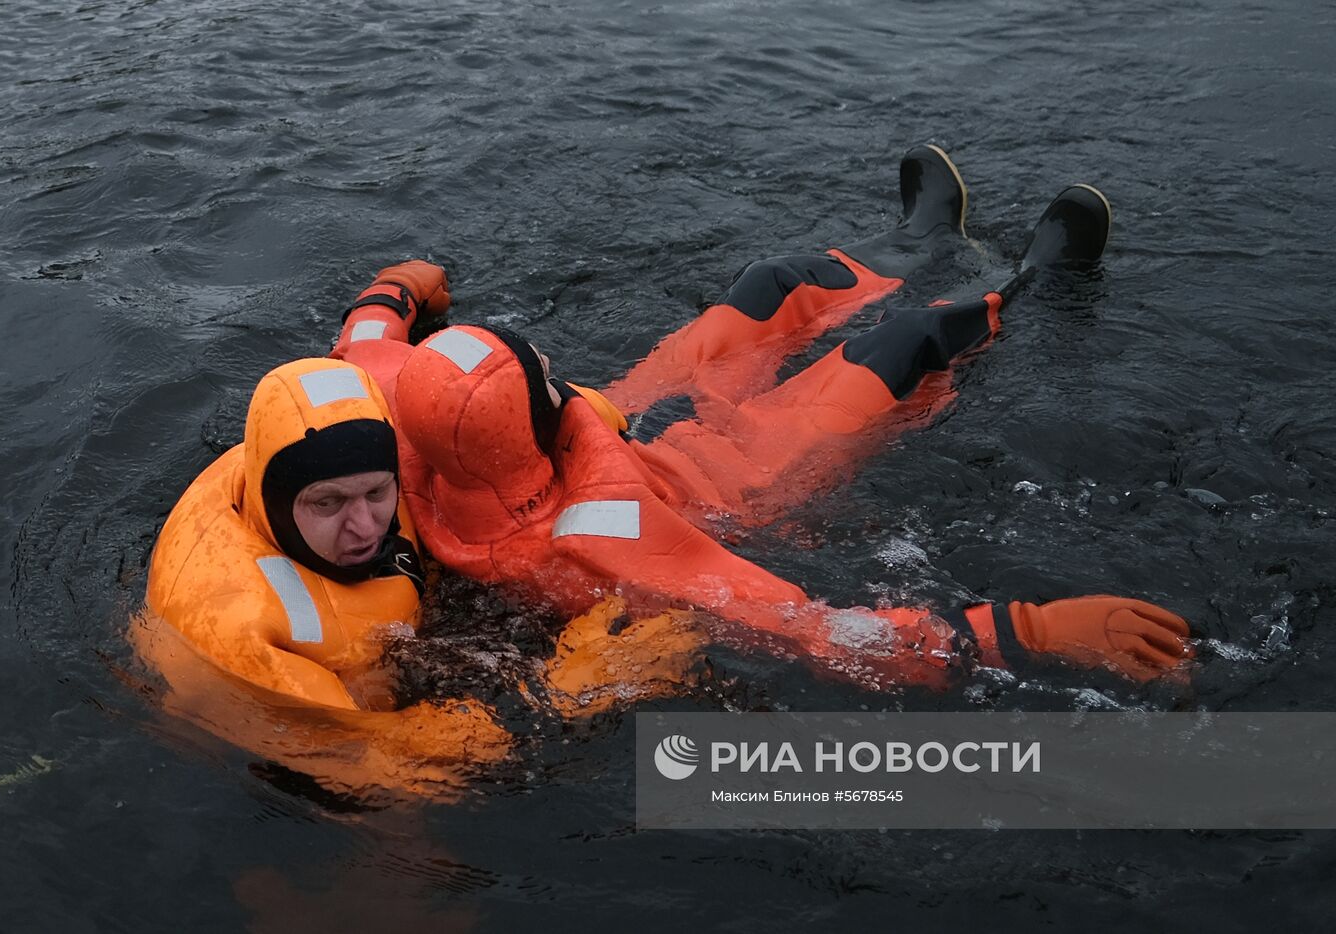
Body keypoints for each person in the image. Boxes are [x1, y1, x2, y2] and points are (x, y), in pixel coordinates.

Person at [333, 145, 1191, 691]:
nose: (552, 366)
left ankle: (922, 238)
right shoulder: (601, 544)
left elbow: (369, 343)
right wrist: (1023, 633)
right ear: (533, 413)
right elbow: (812, 630)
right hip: (727, 483)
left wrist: (398, 286)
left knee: (767, 283)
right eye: (543, 373)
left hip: (634, 423)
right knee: (902, 346)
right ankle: (1033, 276)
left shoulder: (409, 426)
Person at [133, 357, 513, 799]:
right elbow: (391, 768)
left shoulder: (361, 462)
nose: (366, 528)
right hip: (252, 761)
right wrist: (573, 681)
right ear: (274, 503)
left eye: (376, 493)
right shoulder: (239, 631)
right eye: (327, 504)